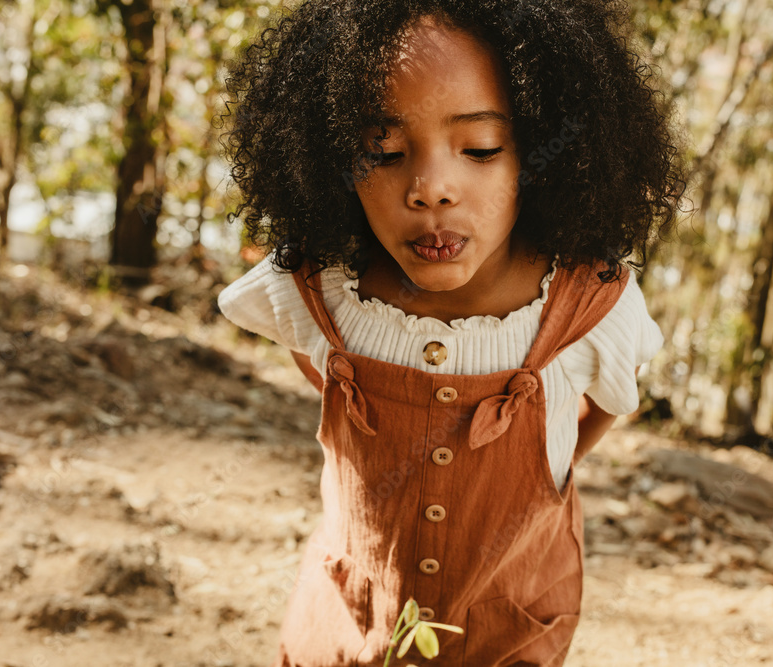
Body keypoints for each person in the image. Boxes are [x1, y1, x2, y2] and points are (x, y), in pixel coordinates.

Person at [216, 1, 685, 665]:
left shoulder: (590, 304)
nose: (431, 187)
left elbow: (608, 401)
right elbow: (315, 359)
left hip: (509, 633)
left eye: (482, 148)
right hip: (348, 634)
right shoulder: (316, 289)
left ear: (546, 150)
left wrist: (545, 465)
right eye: (383, 152)